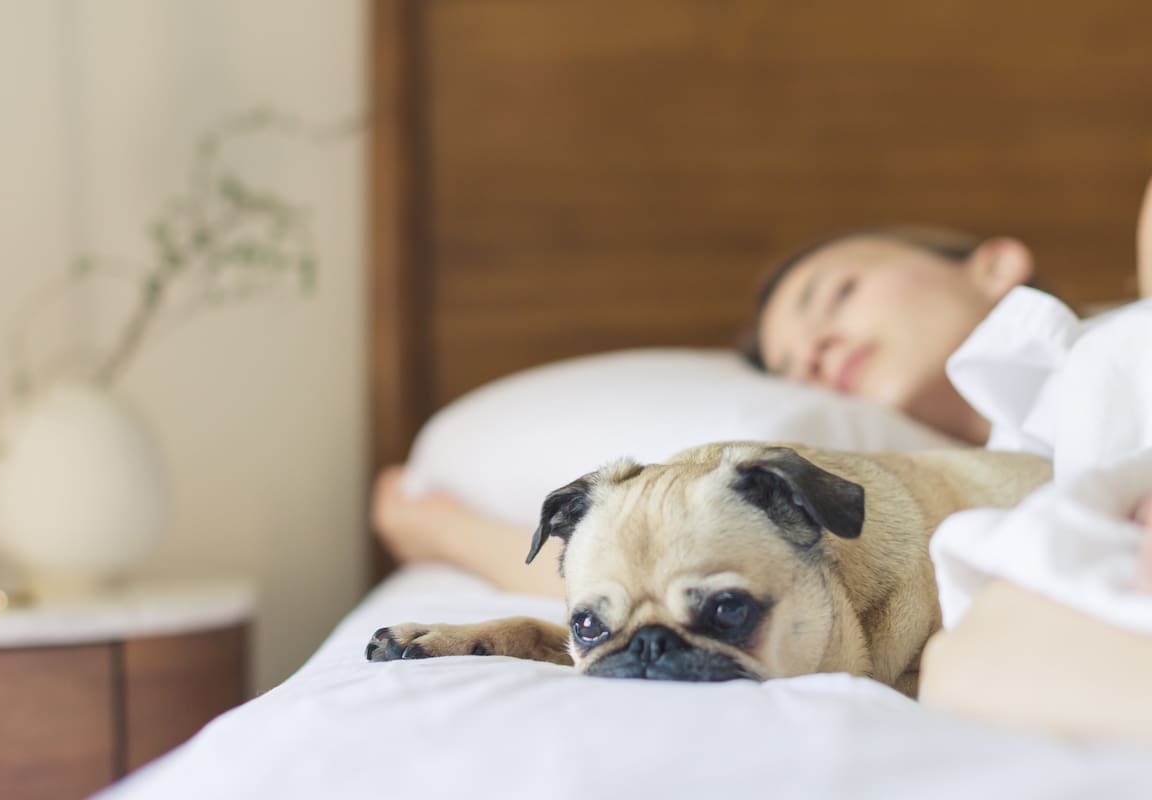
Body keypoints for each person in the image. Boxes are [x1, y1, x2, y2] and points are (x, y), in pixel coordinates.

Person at [372, 176, 1152, 740]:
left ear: (994, 263)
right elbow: (643, 581)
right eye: (793, 368)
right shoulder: (897, 505)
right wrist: (442, 533)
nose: (813, 348)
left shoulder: (1108, 347)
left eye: (836, 293)